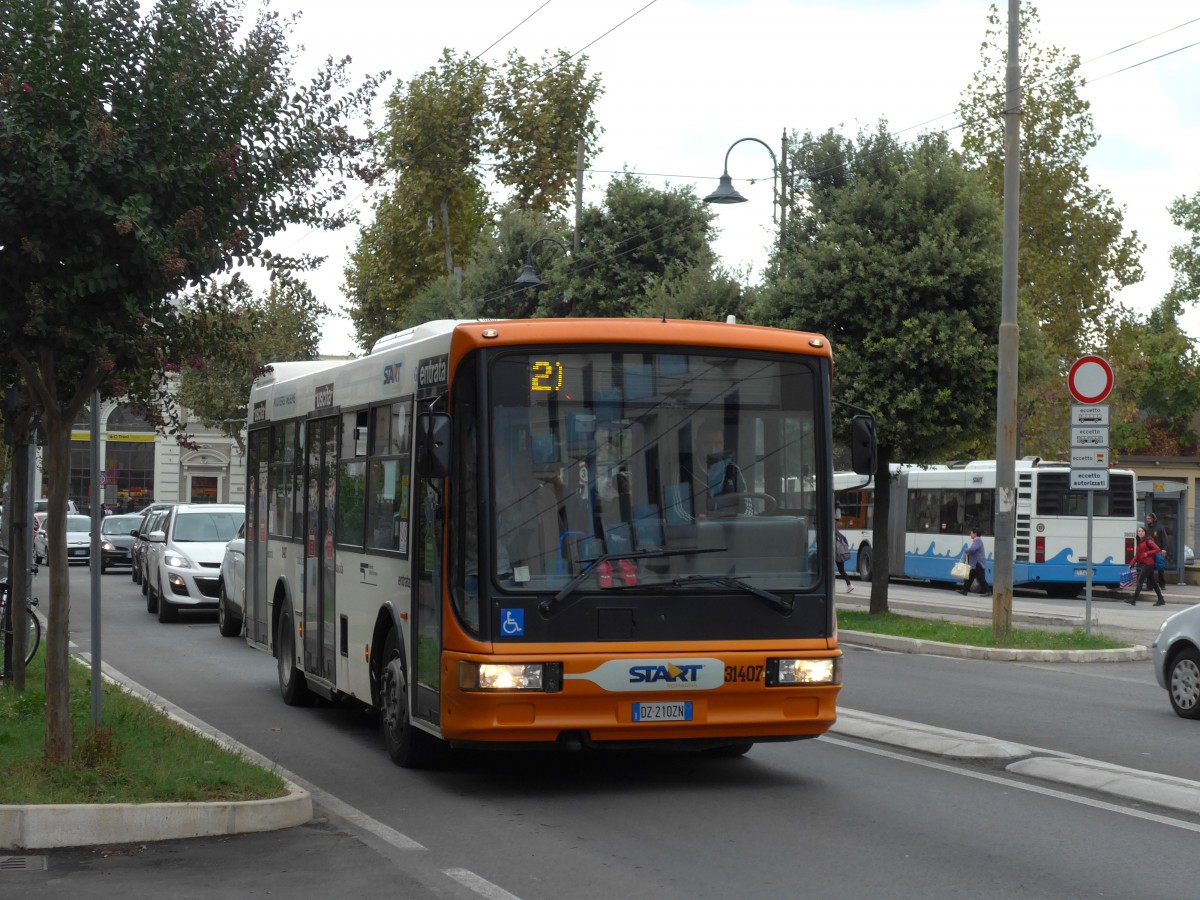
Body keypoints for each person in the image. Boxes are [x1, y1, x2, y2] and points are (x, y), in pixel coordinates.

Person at [1126, 525, 1165, 606]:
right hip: (1146, 564)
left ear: (1145, 533)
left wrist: (1147, 553)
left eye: (1142, 531)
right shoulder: (1140, 542)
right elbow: (1137, 555)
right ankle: (1161, 599)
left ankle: (1133, 600)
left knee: (1140, 581)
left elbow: (1157, 549)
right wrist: (1131, 564)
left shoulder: (1148, 541)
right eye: (1139, 531)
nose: (1140, 533)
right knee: (1153, 582)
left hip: (1149, 564)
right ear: (1137, 533)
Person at [956, 527, 989, 595]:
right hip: (976, 563)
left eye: (971, 533)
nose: (970, 534)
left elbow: (973, 549)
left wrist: (966, 550)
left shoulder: (977, 540)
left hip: (978, 563)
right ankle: (964, 590)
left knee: (980, 578)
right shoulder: (977, 540)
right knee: (970, 577)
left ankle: (987, 591)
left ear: (975, 533)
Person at [1145, 512, 1168, 590]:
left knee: (1160, 568)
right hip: (1150, 552)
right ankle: (1149, 586)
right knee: (1149, 568)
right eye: (1147, 518)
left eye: (1149, 518)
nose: (1147, 520)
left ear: (1153, 519)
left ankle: (1162, 584)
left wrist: (1164, 549)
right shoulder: (1147, 529)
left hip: (1158, 551)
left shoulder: (1160, 528)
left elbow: (1164, 539)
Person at [835, 526, 853, 592]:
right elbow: (846, 543)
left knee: (828, 571)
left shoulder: (831, 534)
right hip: (840, 555)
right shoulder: (840, 535)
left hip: (834, 555)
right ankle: (849, 585)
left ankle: (830, 586)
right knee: (841, 570)